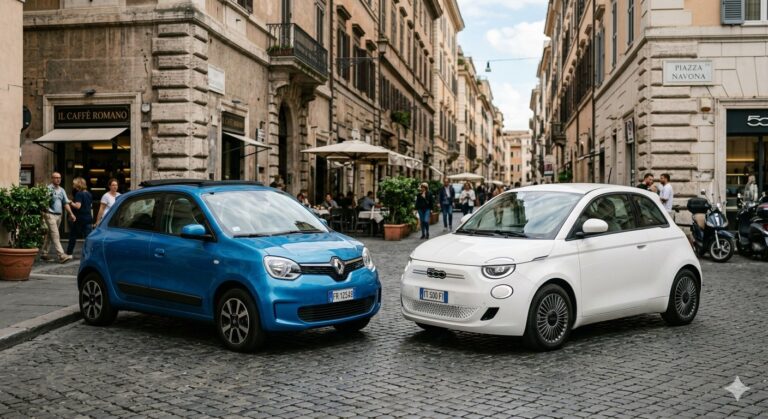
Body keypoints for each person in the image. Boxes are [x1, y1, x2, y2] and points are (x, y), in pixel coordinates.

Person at [41, 172, 76, 263]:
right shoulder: (48, 189)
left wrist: (71, 214)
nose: (58, 179)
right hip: (50, 214)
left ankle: (44, 253)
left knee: (50, 234)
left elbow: (65, 203)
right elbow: (43, 202)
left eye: (59, 178)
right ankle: (61, 255)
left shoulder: (62, 190)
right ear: (52, 179)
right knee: (56, 235)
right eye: (56, 178)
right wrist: (44, 212)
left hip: (59, 215)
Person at [66, 177, 93, 257]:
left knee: (73, 236)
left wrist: (69, 201)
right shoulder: (88, 194)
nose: (73, 185)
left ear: (78, 184)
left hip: (79, 218)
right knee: (88, 238)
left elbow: (78, 206)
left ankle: (69, 253)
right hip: (88, 218)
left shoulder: (79, 194)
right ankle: (89, 254)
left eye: (74, 183)